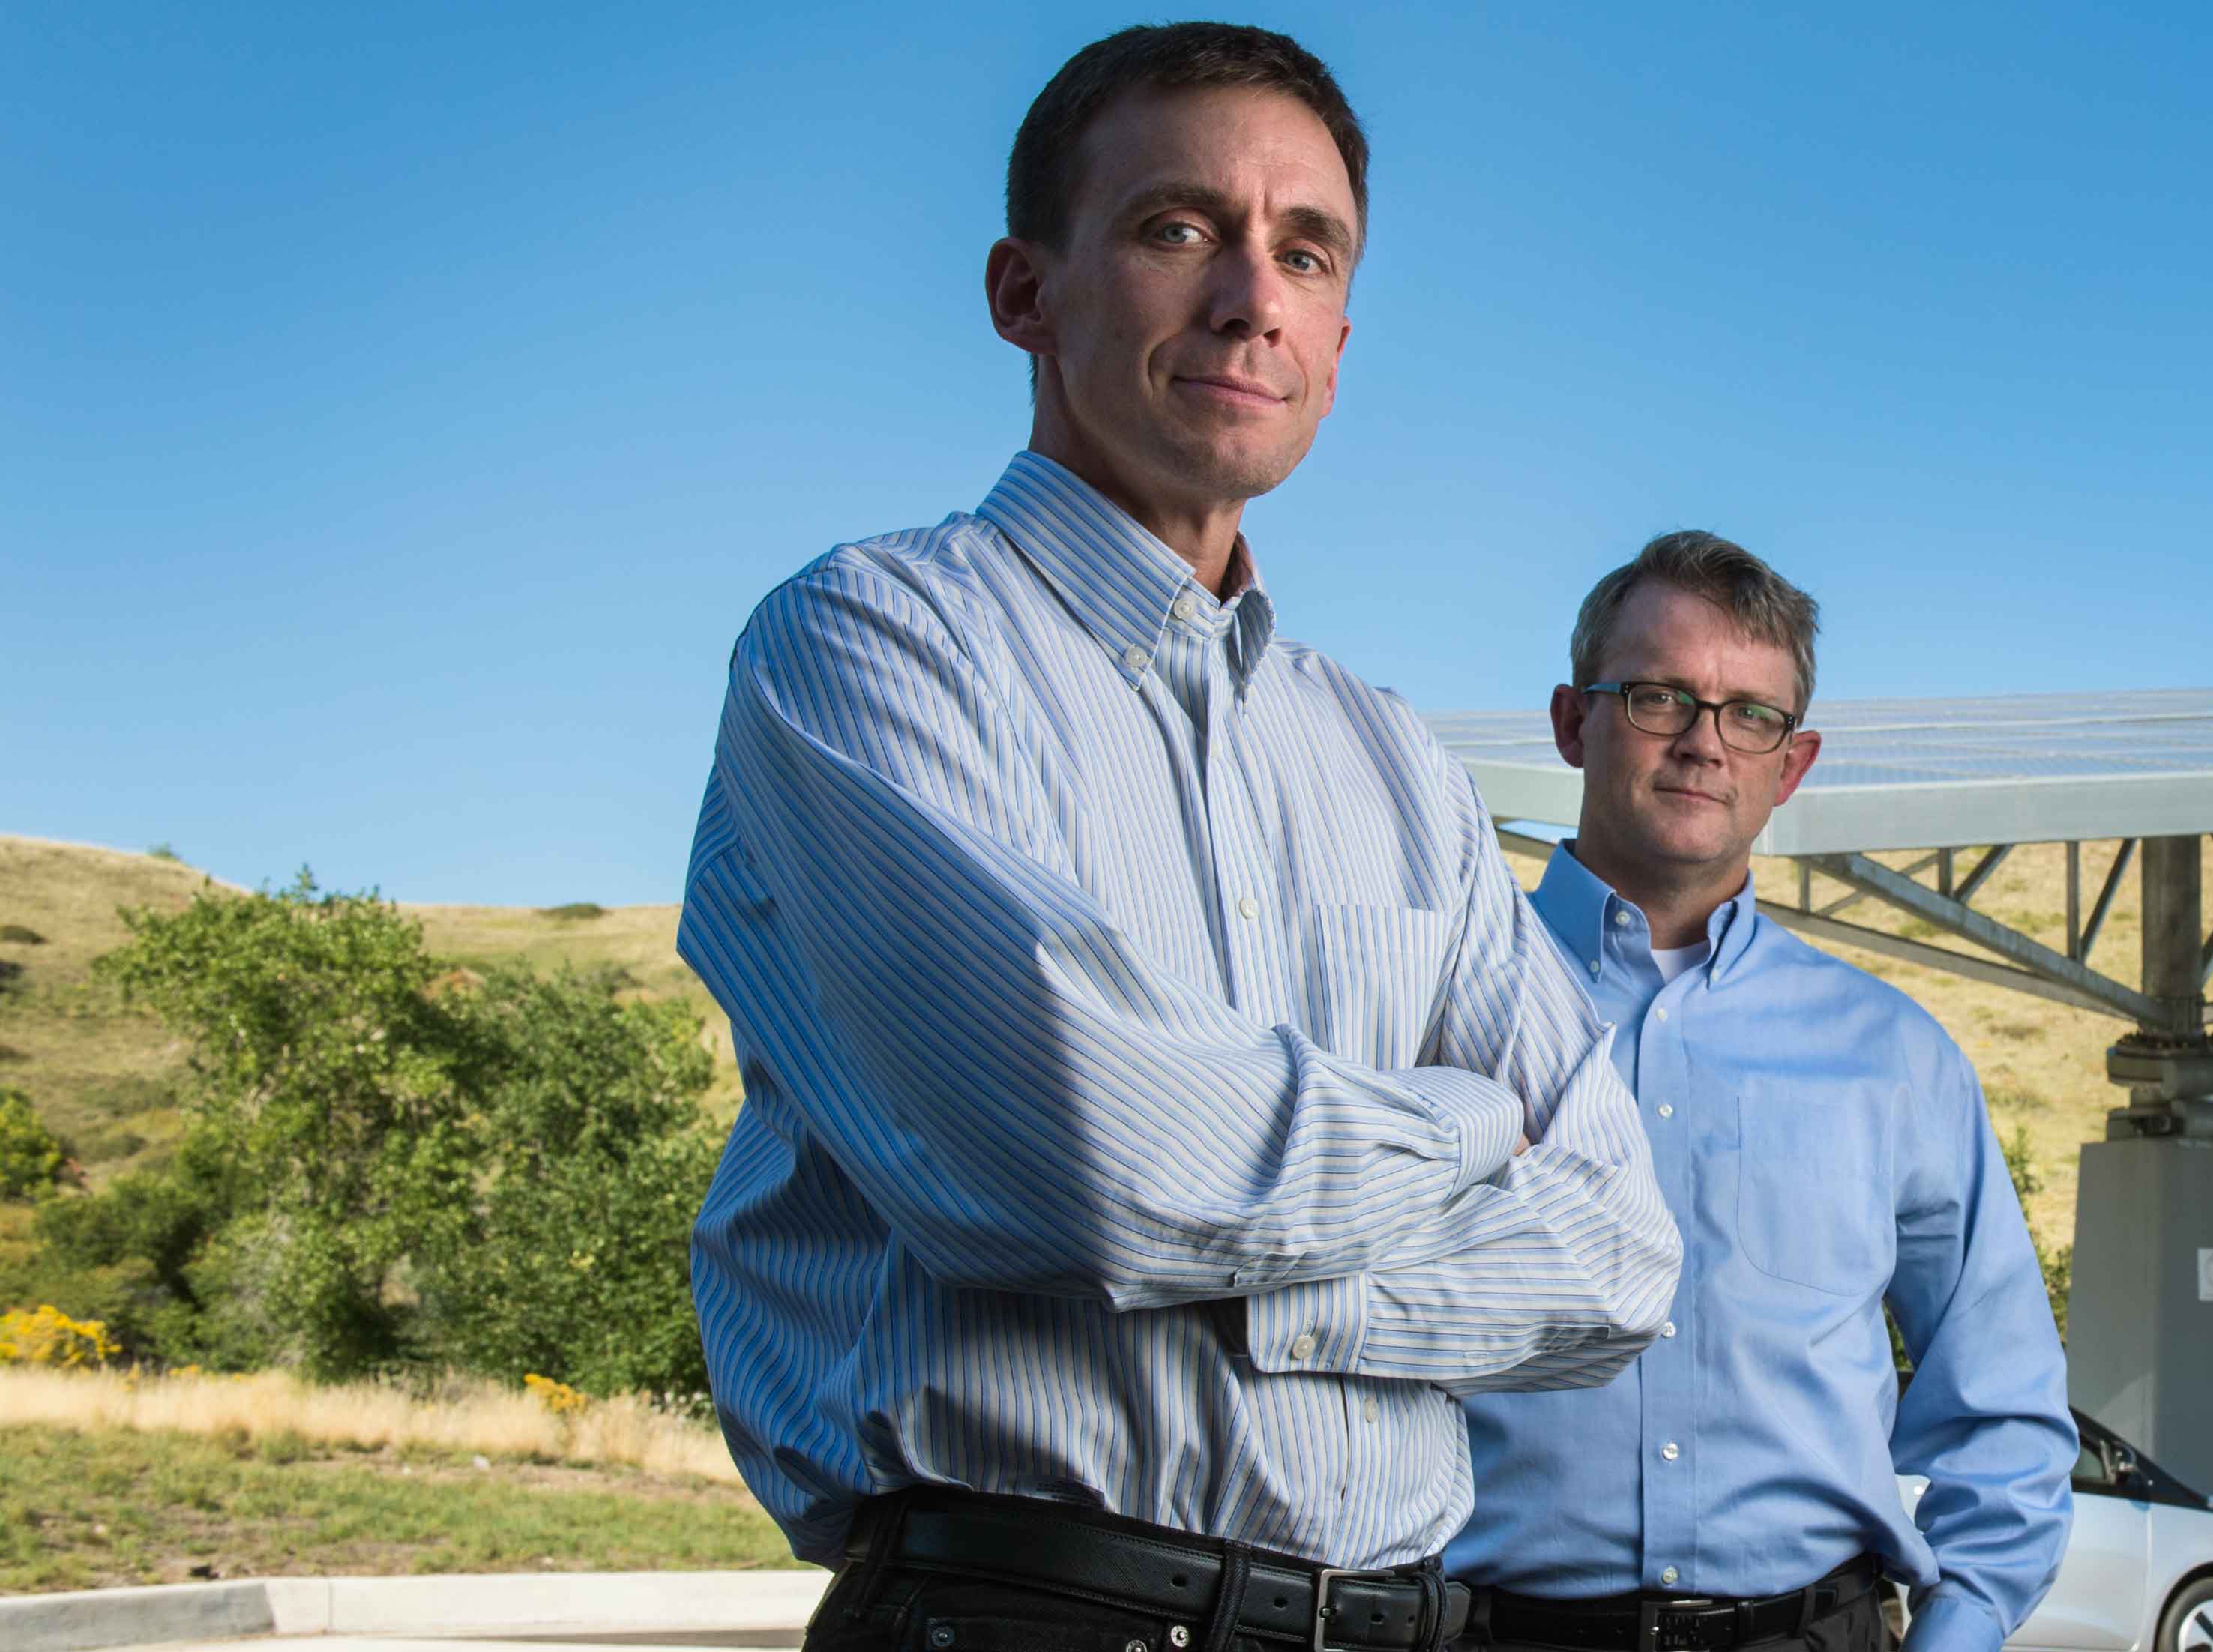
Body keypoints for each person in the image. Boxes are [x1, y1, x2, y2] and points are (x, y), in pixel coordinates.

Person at [675, 24, 1681, 1652]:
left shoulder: (1392, 758)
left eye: (1305, 250)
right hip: (1021, 1615)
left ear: (1340, 335)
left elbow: (1619, 1252)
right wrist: (1461, 1123)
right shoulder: (868, 645)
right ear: (1025, 291)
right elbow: (1086, 1161)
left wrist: (1259, 1275)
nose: (1248, 296)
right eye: (1176, 229)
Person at [1448, 534, 2074, 1652]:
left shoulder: (1895, 1056)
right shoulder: (1431, 1006)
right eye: (1658, 697)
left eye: (1750, 715)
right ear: (1570, 721)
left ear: (1791, 764)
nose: (1704, 744)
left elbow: (2001, 1397)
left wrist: (1957, 1631)